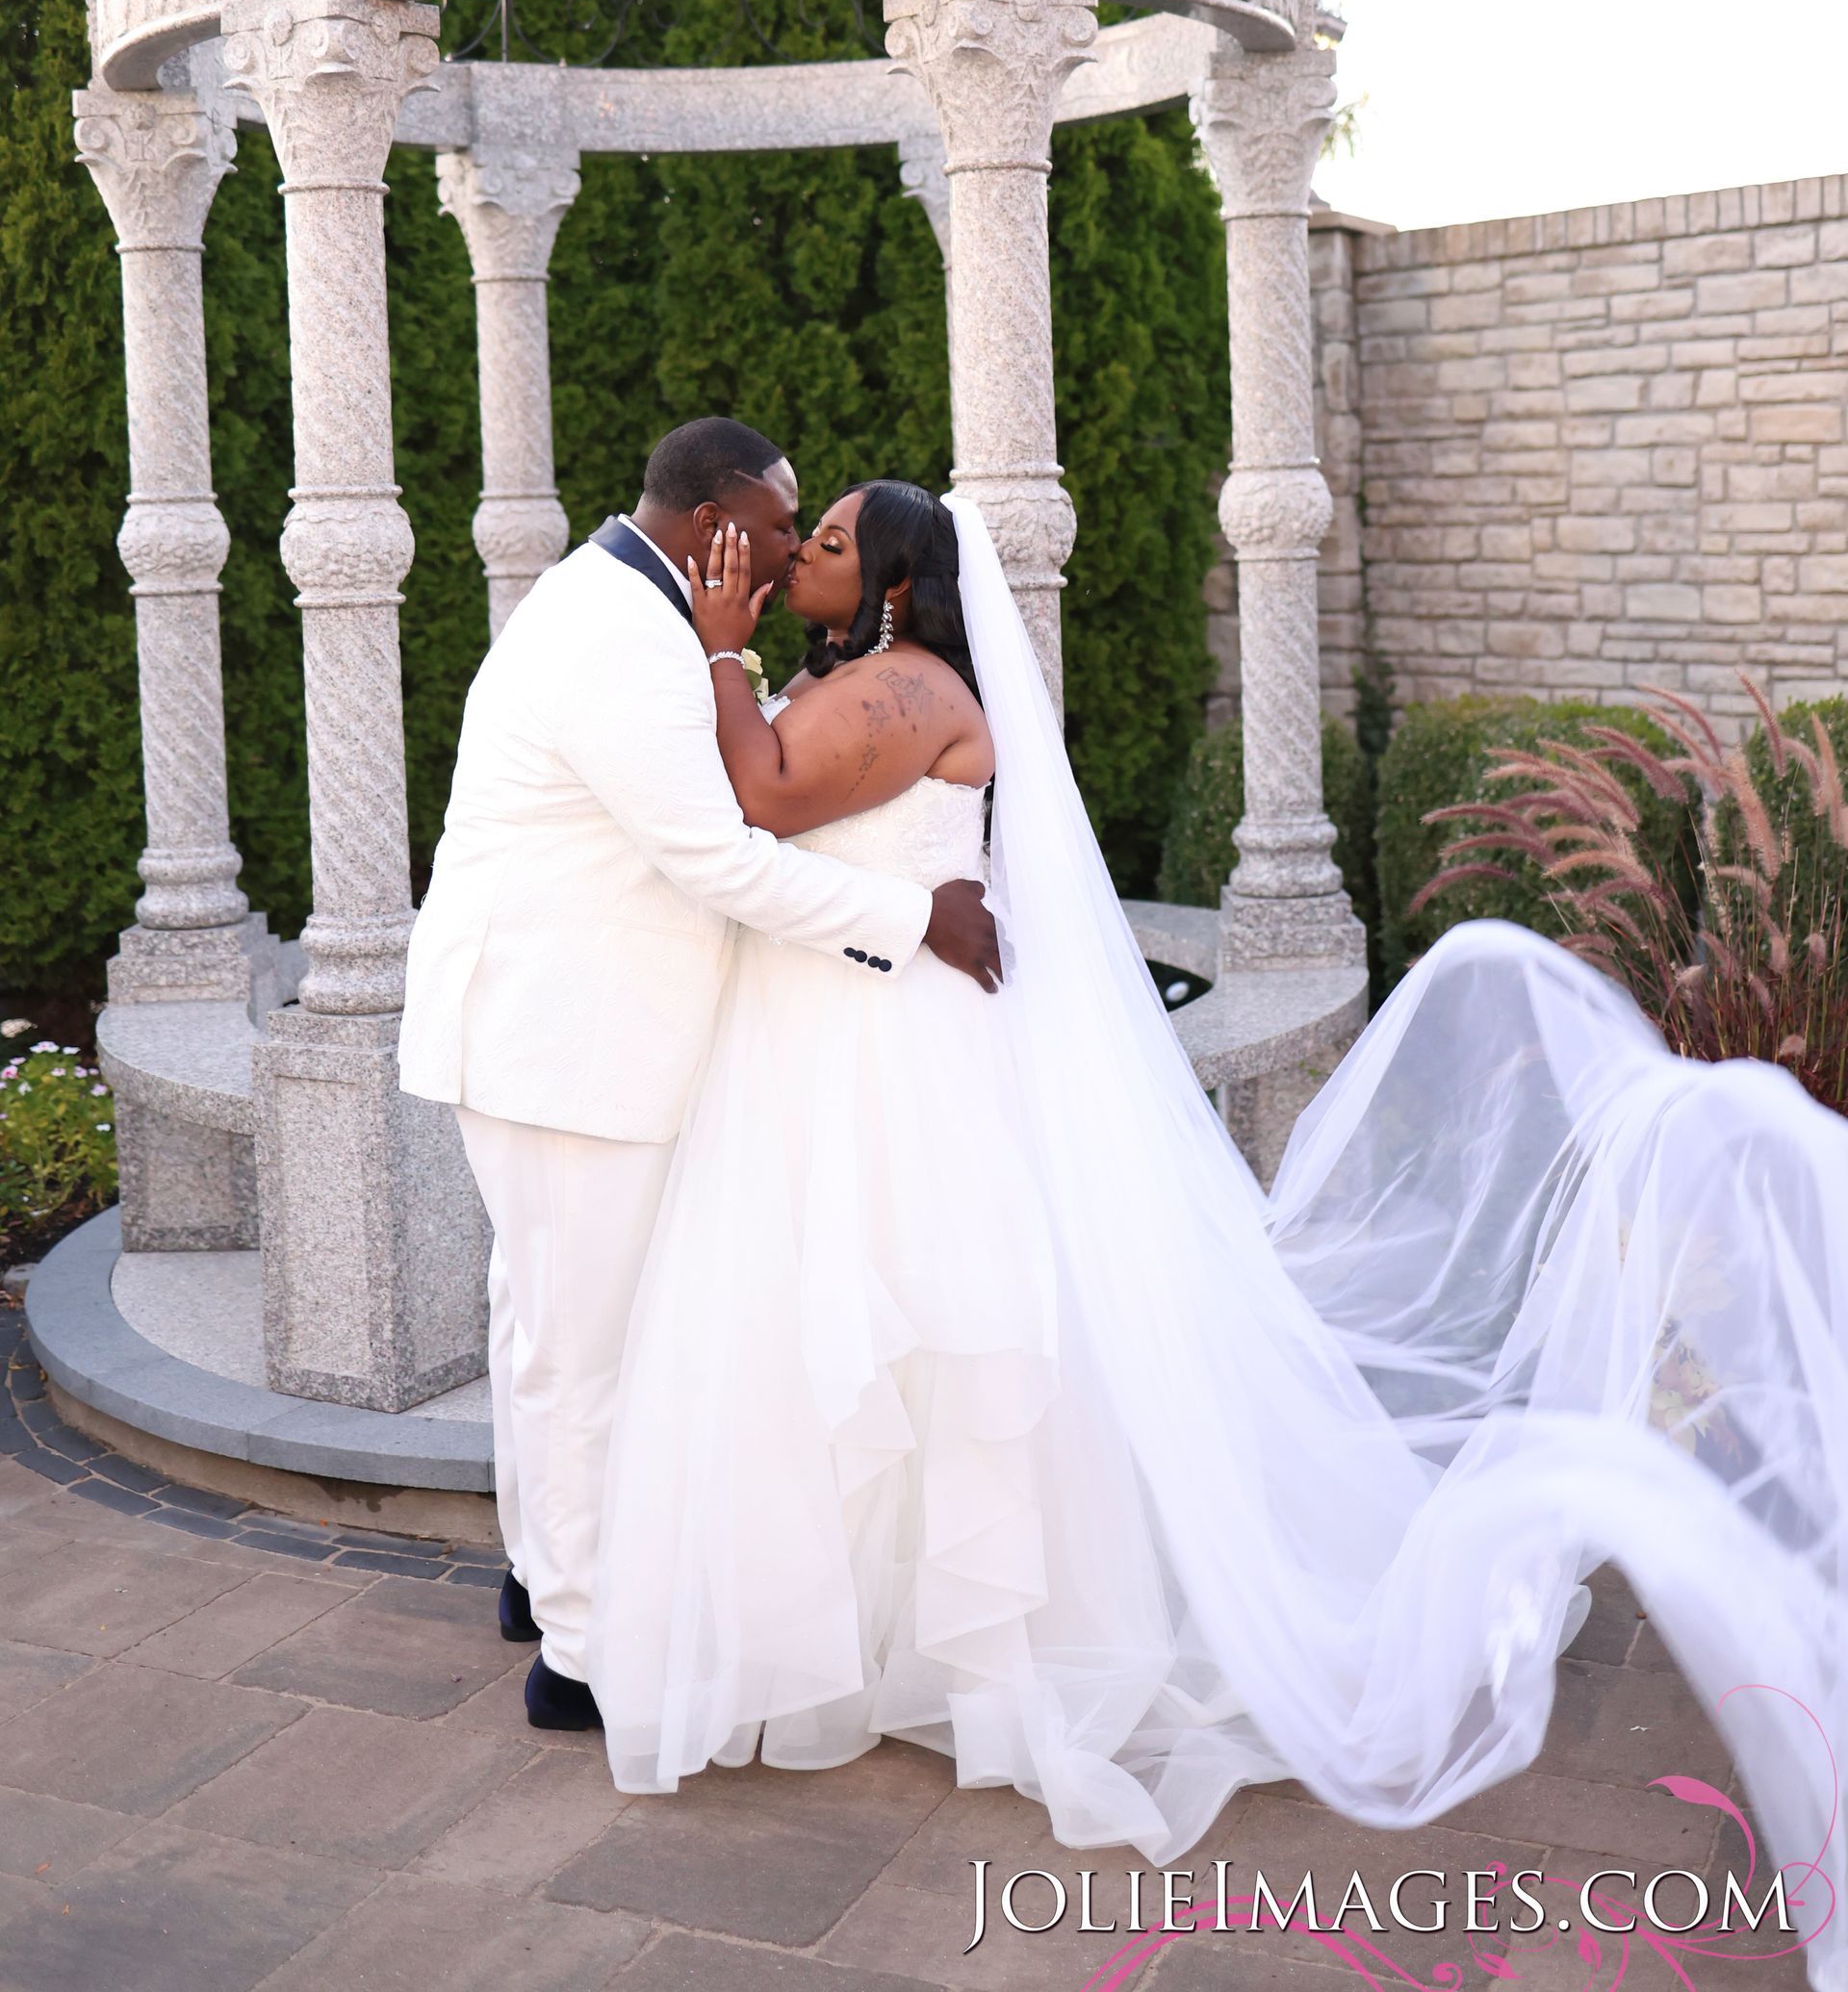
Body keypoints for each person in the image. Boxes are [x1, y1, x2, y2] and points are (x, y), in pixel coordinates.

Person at [583, 480, 1847, 1983]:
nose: (801, 558)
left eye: (835, 541)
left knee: (943, 1332)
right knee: (866, 1343)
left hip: (894, 1062)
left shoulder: (905, 687)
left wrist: (718, 648)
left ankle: (997, 1662)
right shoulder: (853, 676)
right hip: (832, 1046)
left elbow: (770, 799)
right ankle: (875, 1641)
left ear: (901, 587)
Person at [397, 421, 999, 1729]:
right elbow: (717, 860)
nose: (788, 553)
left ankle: (539, 1572)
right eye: (785, 525)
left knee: (544, 1323)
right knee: (579, 1350)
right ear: (720, 513)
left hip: (554, 1029)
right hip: (566, 1040)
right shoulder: (622, 634)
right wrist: (917, 922)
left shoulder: (627, 604)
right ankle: (582, 1653)